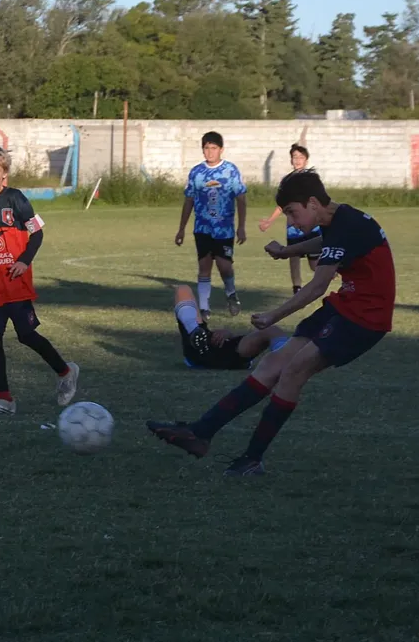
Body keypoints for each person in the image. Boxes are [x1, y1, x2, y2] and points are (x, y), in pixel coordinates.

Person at [148, 170, 396, 477]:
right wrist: (287, 251)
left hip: (364, 319)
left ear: (314, 202)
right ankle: (201, 433)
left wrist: (272, 316)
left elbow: (317, 287)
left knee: (293, 371)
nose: (290, 222)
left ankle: (252, 459)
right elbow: (325, 241)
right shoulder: (338, 220)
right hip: (344, 307)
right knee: (272, 365)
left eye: (292, 213)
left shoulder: (347, 224)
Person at [0, 144, 79, 416]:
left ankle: (65, 371)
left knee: (26, 335)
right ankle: (4, 399)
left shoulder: (16, 198)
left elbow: (36, 234)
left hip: (16, 278)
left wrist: (24, 260)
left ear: (5, 173)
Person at [175, 131, 247, 320]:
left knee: (224, 266)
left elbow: (241, 198)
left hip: (224, 229)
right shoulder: (197, 172)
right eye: (206, 148)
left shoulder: (230, 170)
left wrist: (241, 226)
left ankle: (231, 293)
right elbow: (189, 200)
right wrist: (181, 228)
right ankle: (204, 308)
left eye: (214, 148)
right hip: (202, 228)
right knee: (204, 267)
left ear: (221, 150)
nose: (210, 152)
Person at [173, 285, 289, 370]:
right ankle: (195, 332)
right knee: (183, 289)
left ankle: (195, 332)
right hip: (226, 353)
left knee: (182, 290)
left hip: (224, 352)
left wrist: (228, 334)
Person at [259, 144, 320, 293]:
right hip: (293, 226)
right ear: (291, 160)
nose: (297, 160)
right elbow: (281, 204)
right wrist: (269, 221)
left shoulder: (311, 179)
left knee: (314, 264)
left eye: (301, 157)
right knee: (293, 257)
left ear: (306, 160)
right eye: (295, 157)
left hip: (312, 225)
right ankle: (297, 287)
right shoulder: (287, 181)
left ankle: (328, 274)